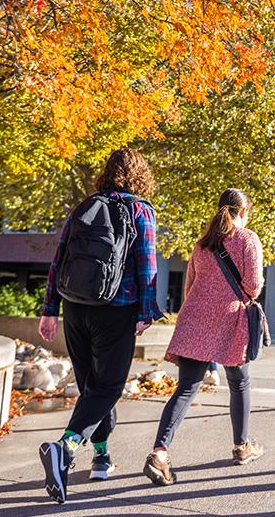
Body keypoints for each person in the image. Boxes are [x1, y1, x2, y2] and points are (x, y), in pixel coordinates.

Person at [36, 147, 165, 503]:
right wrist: (146, 311)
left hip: (75, 306)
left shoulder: (85, 207)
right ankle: (66, 446)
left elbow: (58, 259)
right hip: (116, 308)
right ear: (140, 176)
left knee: (92, 387)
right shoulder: (140, 209)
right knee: (107, 389)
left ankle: (102, 457)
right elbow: (147, 266)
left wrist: (49, 310)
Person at [143, 189, 265, 486]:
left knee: (186, 389)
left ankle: (160, 453)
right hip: (229, 320)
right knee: (239, 383)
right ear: (244, 211)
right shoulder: (248, 239)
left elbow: (189, 287)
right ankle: (241, 446)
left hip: (194, 319)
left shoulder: (202, 243)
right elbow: (253, 286)